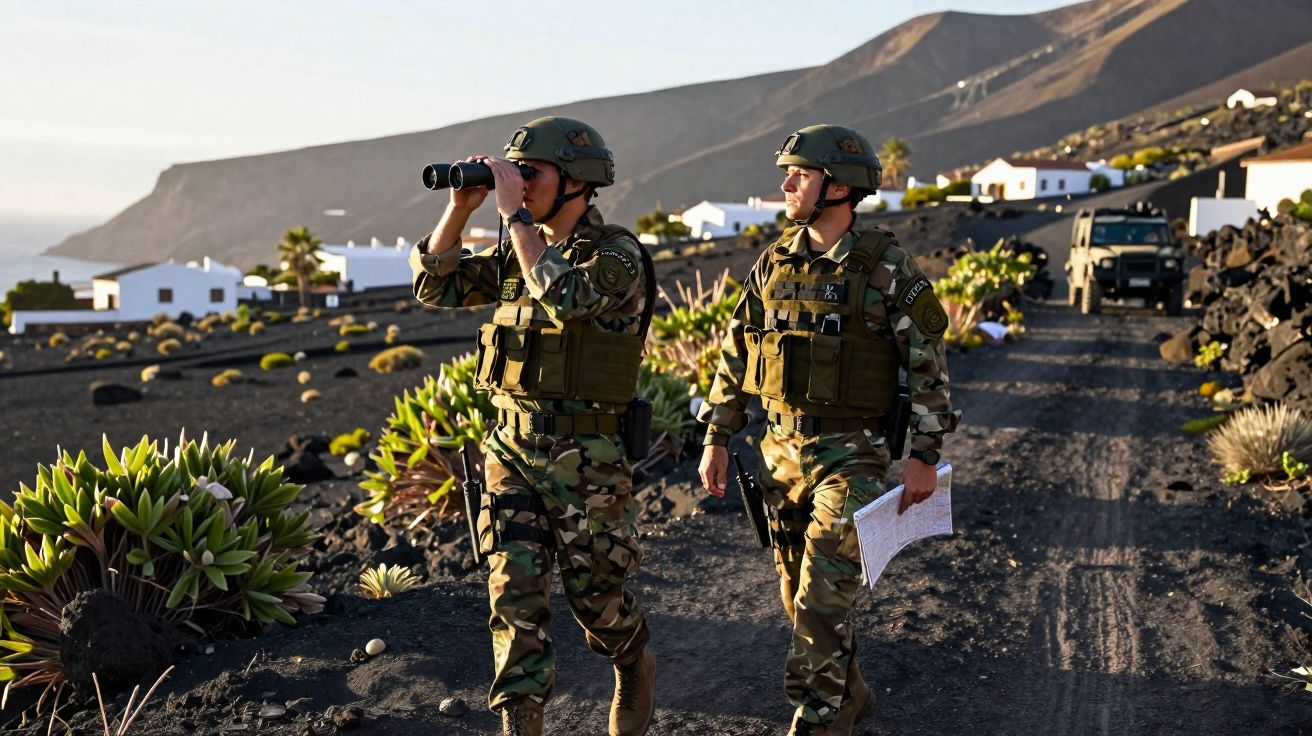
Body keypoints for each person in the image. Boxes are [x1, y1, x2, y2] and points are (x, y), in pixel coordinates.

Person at [696, 124, 960, 735]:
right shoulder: (774, 261)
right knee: (797, 595)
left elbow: (928, 362)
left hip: (853, 453)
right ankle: (850, 690)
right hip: (777, 452)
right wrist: (715, 436)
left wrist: (924, 452)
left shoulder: (885, 265)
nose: (786, 183)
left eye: (800, 174)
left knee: (821, 593)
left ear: (838, 187)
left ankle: (817, 718)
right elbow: (737, 353)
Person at [409, 116, 657, 736]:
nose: (516, 185)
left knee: (594, 598)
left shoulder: (617, 256)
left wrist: (516, 219)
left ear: (576, 183)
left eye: (530, 174)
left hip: (588, 457)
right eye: (513, 174)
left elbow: (567, 299)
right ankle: (521, 724)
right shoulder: (516, 252)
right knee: (513, 598)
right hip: (511, 448)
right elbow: (433, 287)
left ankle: (631, 657)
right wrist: (461, 209)